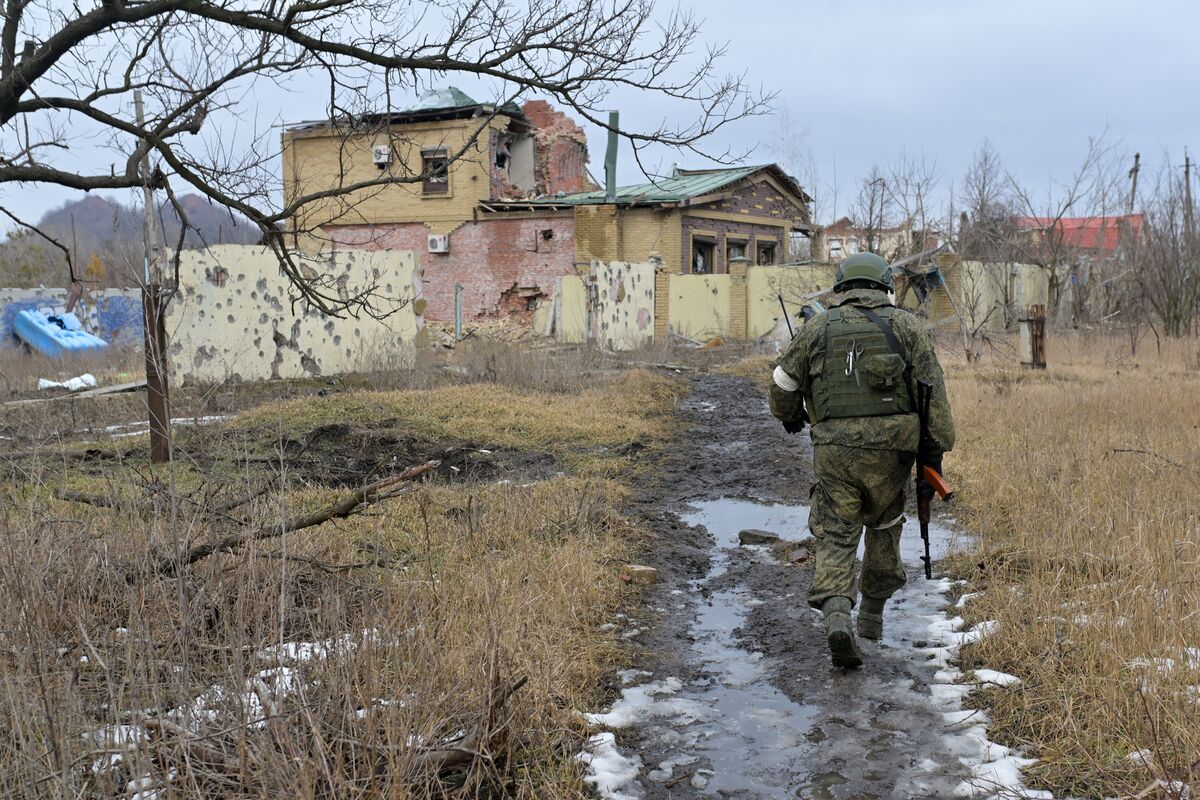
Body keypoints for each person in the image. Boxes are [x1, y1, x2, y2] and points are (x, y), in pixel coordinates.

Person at [769, 253, 955, 669]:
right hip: (893, 454)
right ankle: (871, 617)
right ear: (884, 285)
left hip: (836, 453)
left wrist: (790, 416)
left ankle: (837, 614)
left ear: (842, 286)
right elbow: (934, 402)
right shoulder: (908, 327)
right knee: (886, 526)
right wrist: (934, 456)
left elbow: (782, 381)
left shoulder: (817, 327)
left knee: (836, 533)